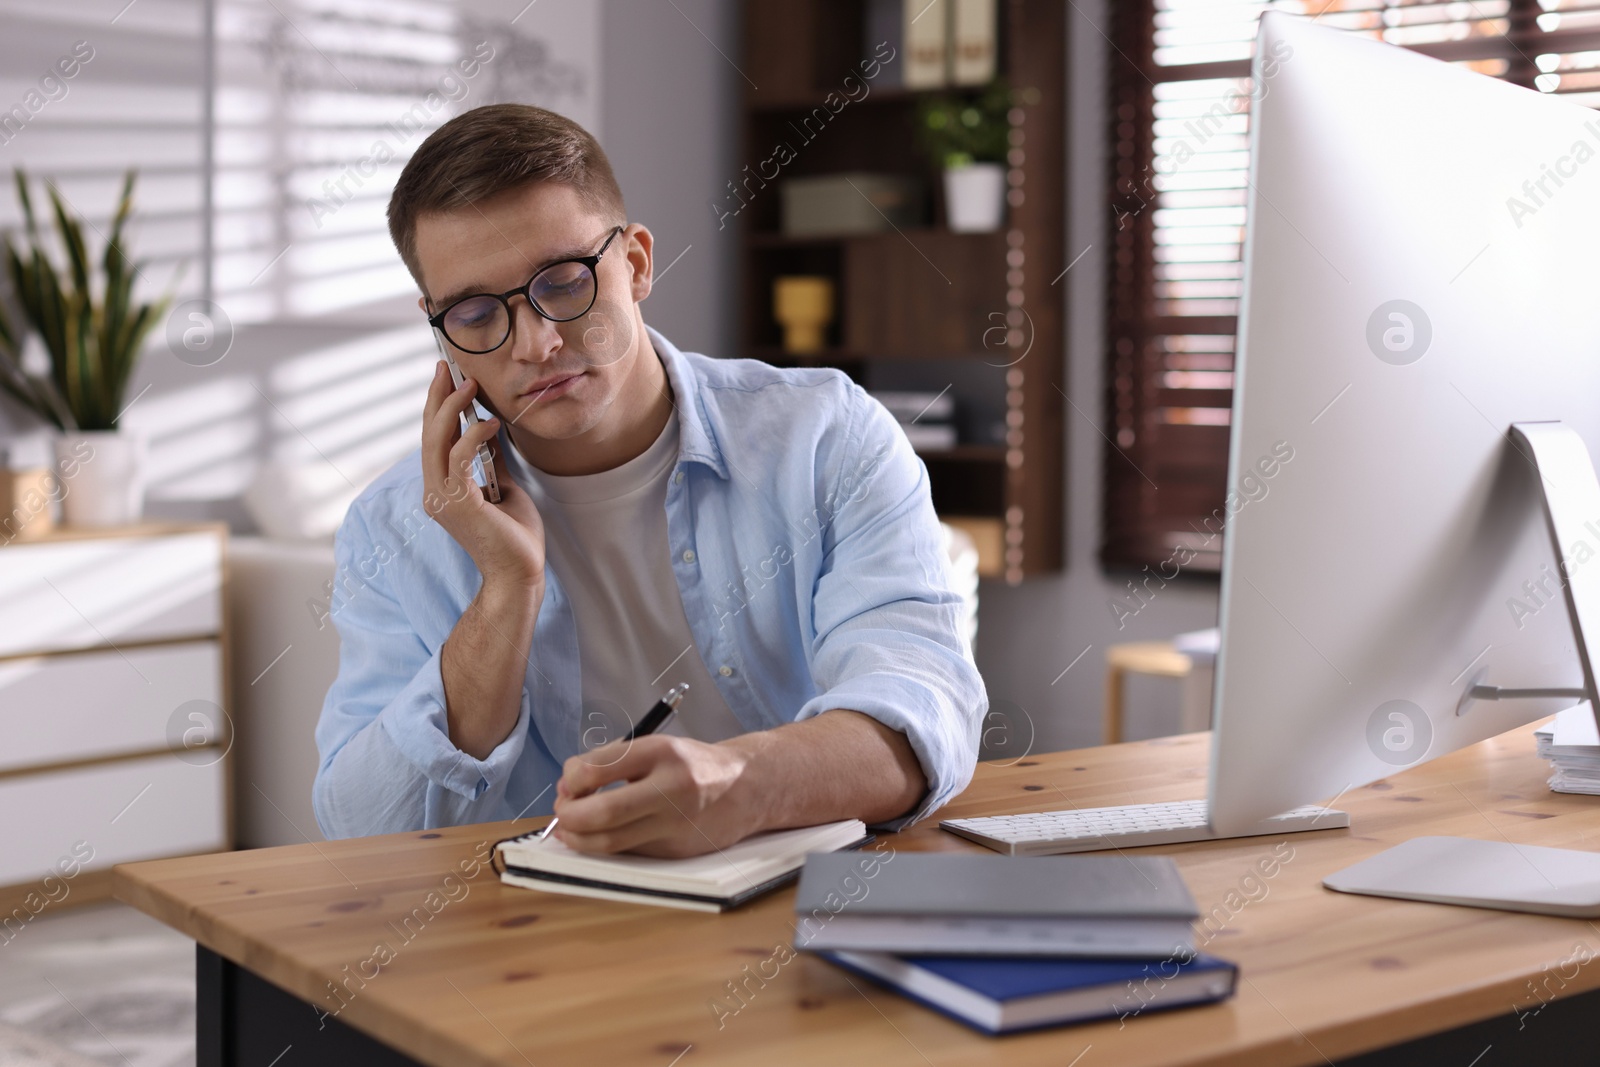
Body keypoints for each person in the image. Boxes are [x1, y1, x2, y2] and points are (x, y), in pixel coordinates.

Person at [312, 103, 985, 857]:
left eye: (562, 283)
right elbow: (364, 829)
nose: (536, 343)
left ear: (634, 265)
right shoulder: (392, 524)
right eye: (474, 312)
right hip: (535, 934)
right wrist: (506, 590)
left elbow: (926, 715)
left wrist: (738, 783)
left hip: (810, 903)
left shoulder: (828, 437)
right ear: (441, 332)